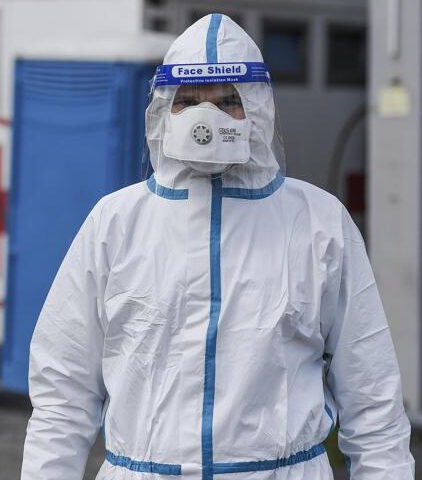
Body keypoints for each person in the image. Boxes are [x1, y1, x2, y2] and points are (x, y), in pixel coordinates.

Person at [22, 14, 414, 480]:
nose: (204, 117)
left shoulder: (317, 223)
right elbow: (62, 393)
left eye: (227, 100)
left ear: (258, 109)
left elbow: (372, 401)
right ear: (164, 111)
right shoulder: (117, 223)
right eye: (187, 101)